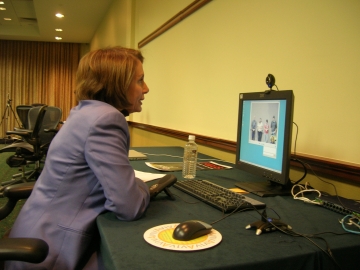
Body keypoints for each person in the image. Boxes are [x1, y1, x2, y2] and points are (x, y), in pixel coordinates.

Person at [6, 46, 150, 269]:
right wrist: (143, 186)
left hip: (36, 229)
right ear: (117, 84)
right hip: (49, 251)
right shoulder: (107, 119)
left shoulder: (84, 112)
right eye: (140, 80)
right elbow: (128, 207)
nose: (146, 89)